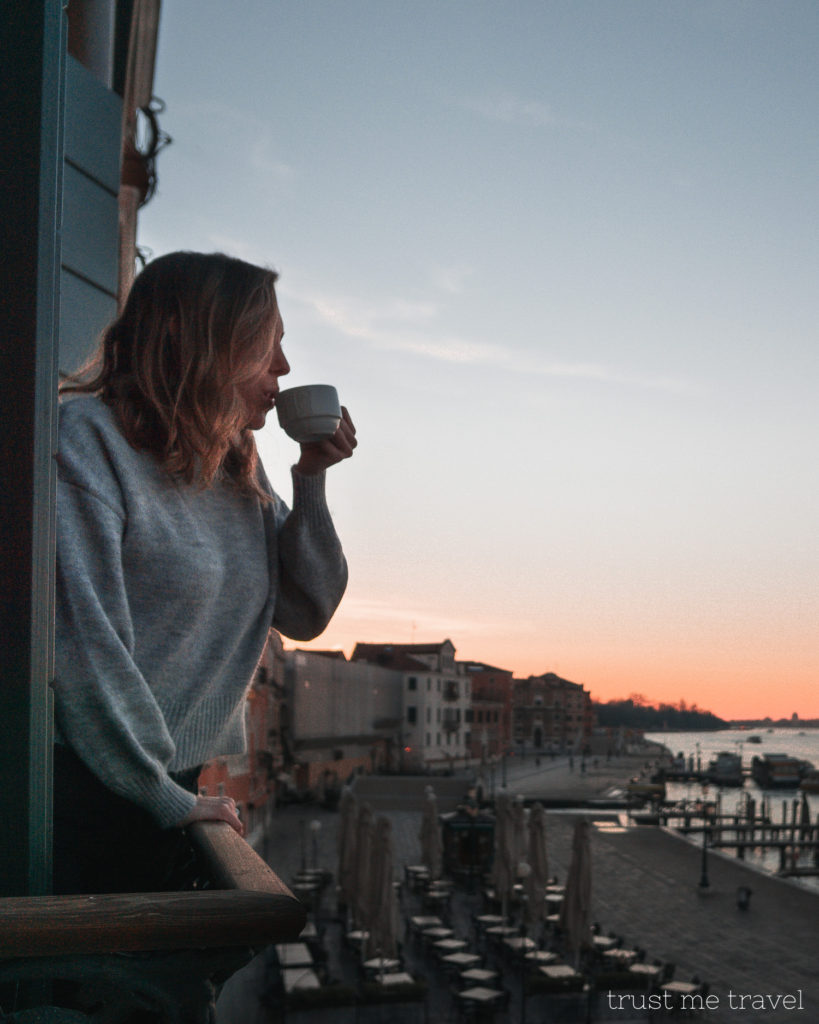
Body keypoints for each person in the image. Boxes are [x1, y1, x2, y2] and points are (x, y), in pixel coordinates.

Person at [53, 251, 356, 894]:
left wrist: (311, 479)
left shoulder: (234, 463)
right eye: (267, 344)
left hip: (173, 783)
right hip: (82, 790)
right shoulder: (86, 440)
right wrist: (157, 796)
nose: (284, 367)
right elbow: (82, 642)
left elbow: (307, 611)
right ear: (204, 343)